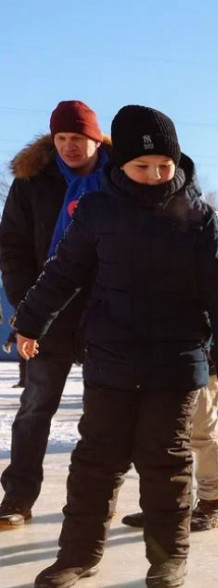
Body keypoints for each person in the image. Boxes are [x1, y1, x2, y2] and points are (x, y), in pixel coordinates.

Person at [13, 105, 218, 588]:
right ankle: (77, 555)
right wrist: (30, 321)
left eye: (166, 165)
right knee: (96, 459)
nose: (157, 175)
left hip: (178, 359)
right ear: (121, 167)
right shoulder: (97, 211)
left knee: (166, 460)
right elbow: (64, 272)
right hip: (111, 353)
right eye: (143, 167)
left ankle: (167, 557)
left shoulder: (199, 216)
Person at [0, 101, 109, 530]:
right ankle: (16, 497)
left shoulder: (120, 177)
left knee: (105, 408)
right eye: (60, 139)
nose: (69, 147)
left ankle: (98, 498)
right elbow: (11, 246)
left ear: (95, 139)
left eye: (77, 139)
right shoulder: (32, 182)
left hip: (105, 308)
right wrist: (28, 305)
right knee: (35, 406)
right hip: (49, 307)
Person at [120, 344, 218, 533]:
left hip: (200, 360)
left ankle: (214, 501)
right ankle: (169, 503)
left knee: (202, 432)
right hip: (157, 364)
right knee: (164, 434)